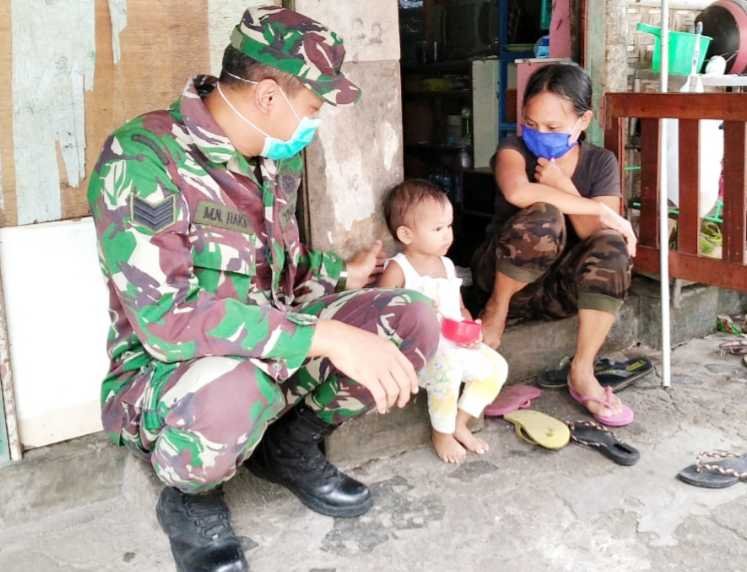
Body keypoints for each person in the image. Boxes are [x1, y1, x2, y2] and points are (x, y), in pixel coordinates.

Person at [87, 6, 439, 571]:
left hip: (273, 340)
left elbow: (280, 267)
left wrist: (341, 275)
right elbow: (168, 321)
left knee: (412, 318)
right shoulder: (143, 158)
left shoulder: (276, 157)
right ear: (270, 96)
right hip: (173, 373)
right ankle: (191, 494)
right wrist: (327, 337)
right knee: (236, 386)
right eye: (313, 108)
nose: (315, 122)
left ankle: (286, 447)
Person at [472, 62, 637, 428]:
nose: (539, 134)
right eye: (531, 124)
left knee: (612, 245)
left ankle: (582, 370)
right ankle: (496, 309)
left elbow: (596, 233)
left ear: (583, 120)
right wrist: (597, 207)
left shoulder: (600, 162)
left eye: (552, 127)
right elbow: (518, 192)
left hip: (560, 291)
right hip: (504, 277)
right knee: (545, 216)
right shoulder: (513, 149)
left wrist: (563, 185)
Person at [379, 180, 508, 464]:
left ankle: (460, 423)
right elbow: (380, 312)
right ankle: (442, 433)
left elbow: (459, 308)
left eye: (449, 226)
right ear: (406, 234)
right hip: (420, 351)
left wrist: (470, 327)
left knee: (497, 367)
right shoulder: (399, 268)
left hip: (453, 344)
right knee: (447, 370)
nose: (447, 235)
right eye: (437, 229)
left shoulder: (448, 265)